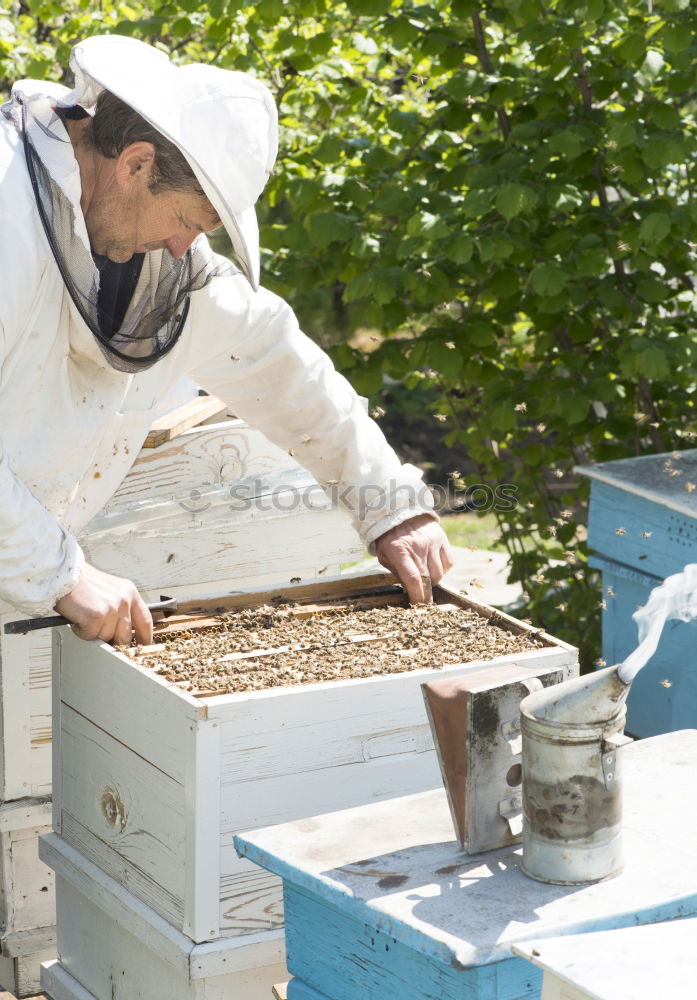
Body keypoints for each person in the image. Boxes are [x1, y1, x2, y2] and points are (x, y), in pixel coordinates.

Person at [0, 34, 452, 647]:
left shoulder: (164, 265)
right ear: (135, 165)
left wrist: (392, 507)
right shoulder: (9, 218)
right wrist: (60, 574)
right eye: (187, 221)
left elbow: (278, 363)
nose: (186, 246)